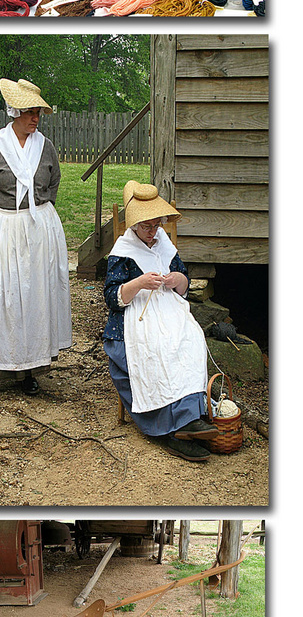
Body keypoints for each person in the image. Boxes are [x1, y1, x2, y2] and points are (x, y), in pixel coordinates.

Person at [0, 78, 72, 403]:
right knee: (1, 298)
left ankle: (27, 369)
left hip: (40, 230)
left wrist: (38, 215)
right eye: (29, 112)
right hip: (6, 230)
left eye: (38, 112)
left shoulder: (46, 147)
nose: (35, 117)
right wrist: (8, 223)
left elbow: (52, 185)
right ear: (14, 111)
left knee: (36, 296)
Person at [103, 181, 216, 463]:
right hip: (136, 315)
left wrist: (179, 280)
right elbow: (112, 297)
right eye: (147, 227)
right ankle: (171, 429)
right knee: (153, 351)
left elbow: (184, 282)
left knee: (189, 340)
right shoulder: (123, 250)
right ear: (134, 225)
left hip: (169, 310)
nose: (153, 232)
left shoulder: (164, 243)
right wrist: (139, 282)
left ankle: (190, 418)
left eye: (157, 225)